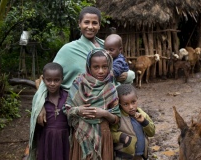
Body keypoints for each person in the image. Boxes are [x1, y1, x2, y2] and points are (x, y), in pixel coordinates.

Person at [27, 6, 134, 159]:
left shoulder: (107, 46)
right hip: (80, 109)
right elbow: (49, 76)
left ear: (99, 24)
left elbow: (123, 66)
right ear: (79, 23)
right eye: (86, 22)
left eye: (94, 23)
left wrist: (128, 75)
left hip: (110, 105)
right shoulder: (68, 50)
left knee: (128, 140)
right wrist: (41, 104)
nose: (90, 26)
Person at [63, 49, 120, 160]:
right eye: (96, 67)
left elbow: (116, 118)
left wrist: (104, 113)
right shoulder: (78, 83)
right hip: (81, 135)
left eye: (105, 67)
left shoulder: (111, 88)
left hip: (103, 135)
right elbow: (66, 110)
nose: (101, 71)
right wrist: (78, 110)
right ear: (89, 66)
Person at [29, 62, 69, 160]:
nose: (52, 84)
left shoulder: (68, 97)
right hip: (46, 139)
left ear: (62, 79)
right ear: (43, 80)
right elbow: (35, 125)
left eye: (56, 80)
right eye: (49, 80)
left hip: (64, 139)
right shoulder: (40, 100)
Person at [111, 84, 155, 160]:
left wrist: (144, 122)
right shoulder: (118, 118)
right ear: (119, 104)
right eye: (126, 104)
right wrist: (122, 137)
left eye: (133, 102)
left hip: (140, 156)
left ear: (137, 99)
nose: (131, 107)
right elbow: (110, 133)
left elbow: (152, 132)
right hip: (123, 157)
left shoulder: (143, 115)